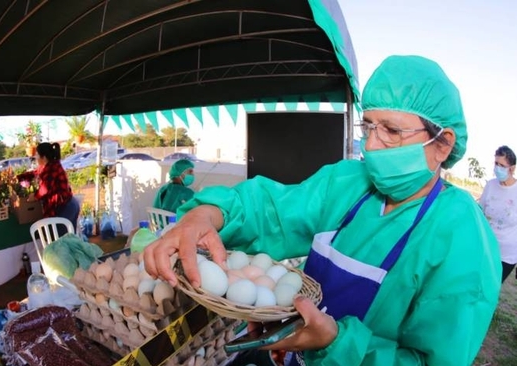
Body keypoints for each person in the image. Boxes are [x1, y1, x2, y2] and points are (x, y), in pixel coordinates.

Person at [143, 56, 501, 365]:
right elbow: (272, 210)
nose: (372, 146)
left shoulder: (460, 234)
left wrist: (335, 344)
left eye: (390, 130)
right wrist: (206, 215)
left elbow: (432, 361)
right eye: (369, 126)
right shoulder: (347, 183)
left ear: (442, 144)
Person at [18, 142, 80, 233]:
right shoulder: (46, 166)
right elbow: (35, 173)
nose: (35, 157)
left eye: (37, 155)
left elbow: (45, 189)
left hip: (64, 207)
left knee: (63, 241)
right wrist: (19, 177)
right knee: (68, 240)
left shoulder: (52, 168)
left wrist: (34, 196)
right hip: (67, 205)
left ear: (44, 157)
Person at [479, 145, 517, 283]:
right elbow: (480, 213)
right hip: (486, 248)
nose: (497, 168)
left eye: (502, 165)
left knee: (491, 288)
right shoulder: (490, 185)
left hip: (506, 255)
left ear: (511, 168)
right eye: (496, 163)